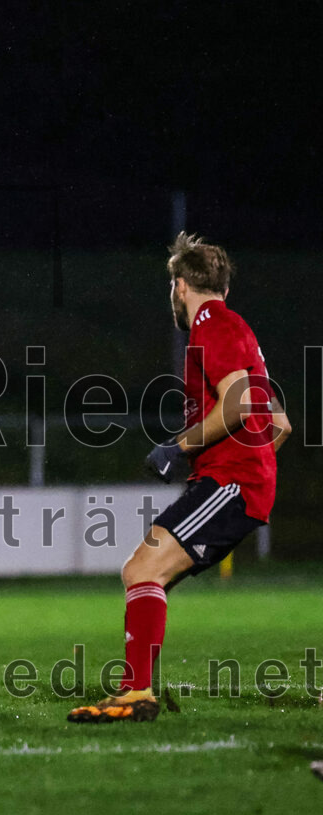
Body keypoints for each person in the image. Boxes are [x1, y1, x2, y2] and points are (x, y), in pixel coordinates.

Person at [68, 232, 292, 723]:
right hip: (236, 482)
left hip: (231, 483)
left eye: (172, 286)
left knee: (141, 569)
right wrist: (251, 472)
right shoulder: (240, 329)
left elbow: (237, 406)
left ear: (181, 285)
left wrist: (183, 447)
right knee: (151, 574)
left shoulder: (211, 323)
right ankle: (139, 687)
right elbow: (278, 424)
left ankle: (136, 692)